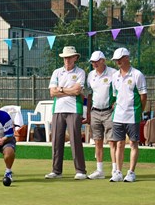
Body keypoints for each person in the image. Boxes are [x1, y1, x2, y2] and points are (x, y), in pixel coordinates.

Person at [45, 46, 87, 180]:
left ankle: (80, 170)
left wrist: (61, 90)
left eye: (69, 57)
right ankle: (56, 171)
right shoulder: (57, 72)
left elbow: (77, 91)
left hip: (74, 109)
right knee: (56, 140)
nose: (67, 59)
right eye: (65, 57)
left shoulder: (80, 72)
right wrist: (68, 90)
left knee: (75, 140)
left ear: (75, 58)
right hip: (58, 110)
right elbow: (52, 92)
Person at [110, 48, 147, 182]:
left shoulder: (137, 75)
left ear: (126, 58)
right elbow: (115, 96)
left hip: (133, 115)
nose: (118, 62)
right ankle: (118, 172)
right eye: (116, 60)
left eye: (120, 59)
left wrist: (139, 111)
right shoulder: (115, 76)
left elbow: (143, 96)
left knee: (133, 143)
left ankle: (131, 172)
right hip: (118, 116)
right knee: (119, 144)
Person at [86, 51, 117, 179]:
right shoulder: (90, 75)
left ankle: (116, 170)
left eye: (96, 61)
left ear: (103, 60)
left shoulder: (114, 73)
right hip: (95, 112)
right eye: (92, 62)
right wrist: (88, 113)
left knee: (112, 141)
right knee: (97, 141)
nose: (94, 64)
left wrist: (116, 104)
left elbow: (119, 91)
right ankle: (100, 171)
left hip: (109, 111)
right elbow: (89, 95)